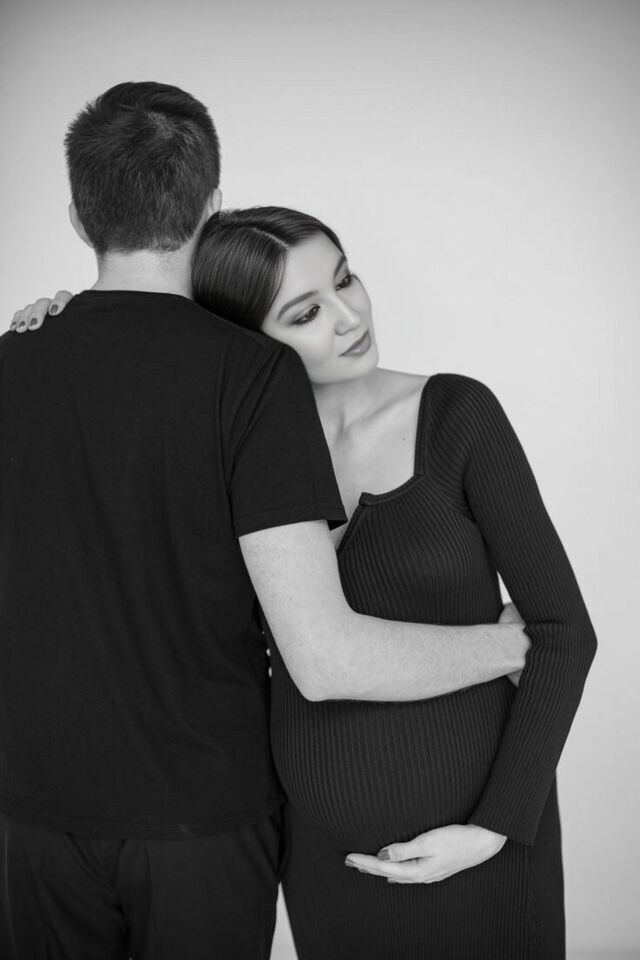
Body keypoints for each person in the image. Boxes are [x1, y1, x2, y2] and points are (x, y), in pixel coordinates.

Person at [0, 86, 533, 959]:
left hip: (28, 815)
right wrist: (507, 645)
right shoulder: (251, 373)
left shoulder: (13, 359)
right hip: (201, 819)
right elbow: (323, 658)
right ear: (210, 205)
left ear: (78, 216)